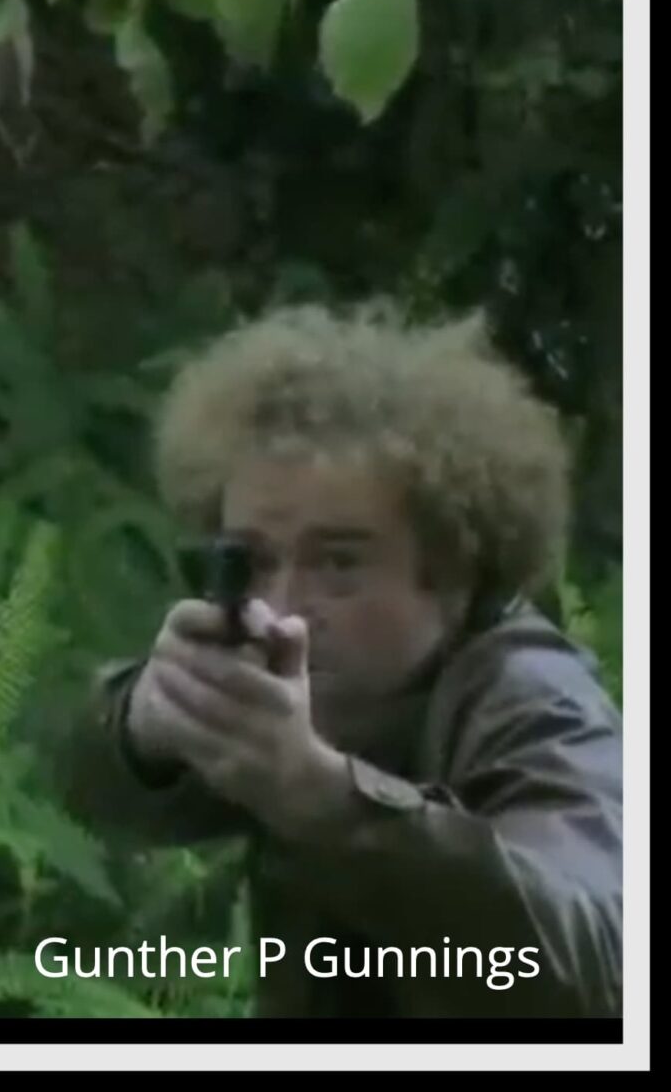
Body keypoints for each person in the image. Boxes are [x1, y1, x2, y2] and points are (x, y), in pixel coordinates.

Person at [59, 303, 622, 1019]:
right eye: (255, 562)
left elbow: (593, 964)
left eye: (339, 564)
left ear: (454, 569)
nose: (285, 608)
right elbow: (92, 792)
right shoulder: (329, 681)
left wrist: (326, 800)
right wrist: (144, 723)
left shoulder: (532, 698)